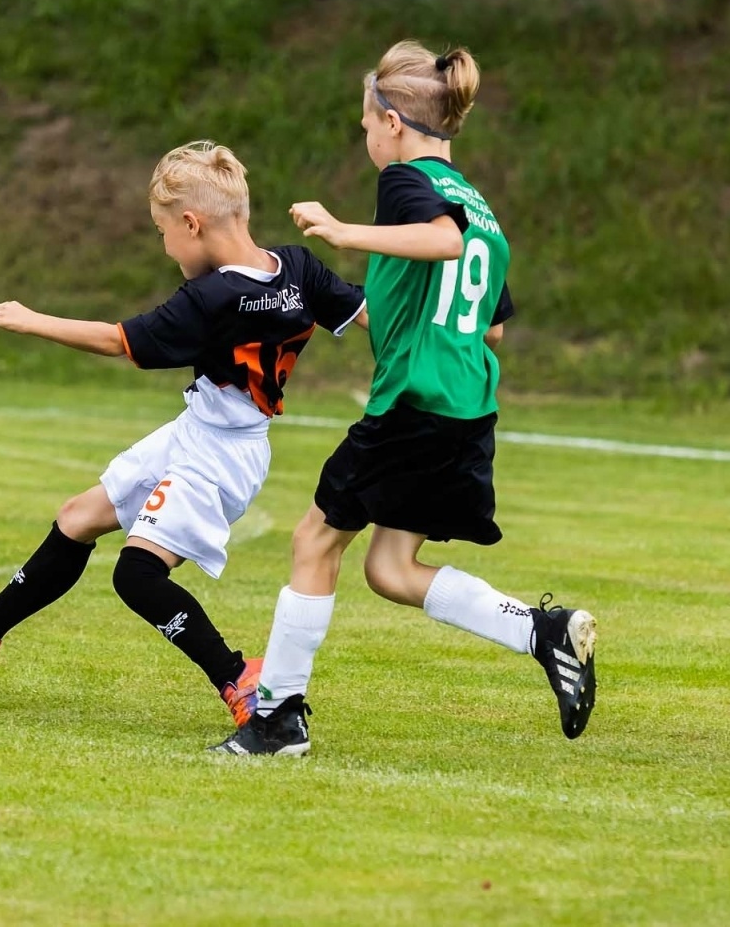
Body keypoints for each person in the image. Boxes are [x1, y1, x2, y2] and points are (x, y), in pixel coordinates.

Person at [0, 140, 367, 728]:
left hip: (219, 455)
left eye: (164, 232)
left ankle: (237, 676)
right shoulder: (295, 267)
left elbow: (120, 340)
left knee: (136, 574)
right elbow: (368, 313)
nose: (166, 246)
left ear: (191, 223)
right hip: (202, 429)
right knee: (79, 517)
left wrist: (31, 319)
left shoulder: (213, 297)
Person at [212, 41, 596, 756]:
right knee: (389, 569)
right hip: (465, 408)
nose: (366, 137)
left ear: (392, 122)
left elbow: (442, 244)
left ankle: (279, 719)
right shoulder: (479, 203)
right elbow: (496, 325)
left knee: (313, 540)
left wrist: (341, 232)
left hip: (413, 404)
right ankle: (541, 631)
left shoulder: (409, 182)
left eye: (365, 123)